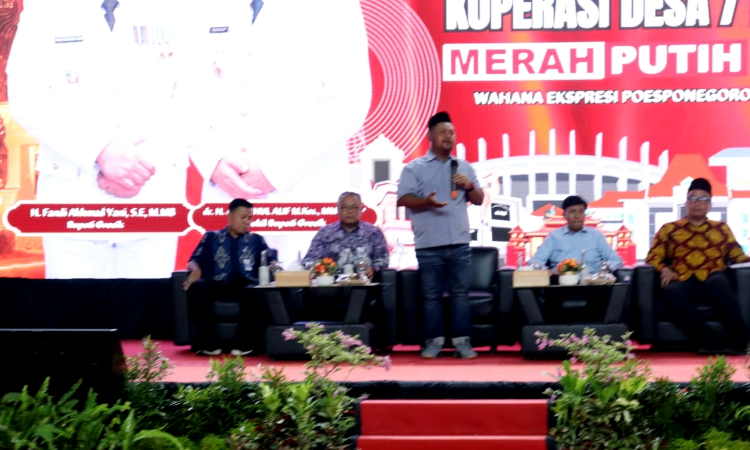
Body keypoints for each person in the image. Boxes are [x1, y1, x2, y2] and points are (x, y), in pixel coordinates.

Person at [6, 0, 188, 278]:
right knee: (77, 304)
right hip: (73, 197)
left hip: (154, 190)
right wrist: (100, 151)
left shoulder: (175, 7)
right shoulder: (45, 9)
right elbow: (26, 98)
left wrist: (136, 166)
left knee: (148, 303)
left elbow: (197, 94)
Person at [396, 111, 484, 359]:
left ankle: (462, 343)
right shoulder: (414, 168)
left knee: (460, 295)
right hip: (429, 244)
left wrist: (469, 186)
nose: (448, 136)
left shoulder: (464, 167)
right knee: (431, 296)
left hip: (459, 243)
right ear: (429, 136)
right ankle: (433, 342)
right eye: (443, 132)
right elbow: (403, 198)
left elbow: (479, 200)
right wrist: (427, 201)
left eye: (451, 132)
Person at [646, 178, 750, 354]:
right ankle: (708, 339)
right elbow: (653, 256)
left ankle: (739, 341)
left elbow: (736, 255)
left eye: (703, 199)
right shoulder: (669, 229)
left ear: (710, 205)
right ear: (686, 203)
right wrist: (664, 269)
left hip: (713, 278)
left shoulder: (721, 228)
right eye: (693, 198)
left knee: (718, 282)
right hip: (683, 279)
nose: (697, 203)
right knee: (670, 290)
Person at [183, 198, 269, 355]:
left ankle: (242, 344)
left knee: (257, 291)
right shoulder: (211, 237)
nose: (247, 222)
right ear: (229, 216)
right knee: (198, 288)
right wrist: (195, 270)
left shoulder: (256, 240)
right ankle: (210, 344)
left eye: (250, 218)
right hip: (218, 283)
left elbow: (270, 261)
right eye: (243, 217)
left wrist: (274, 267)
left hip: (245, 285)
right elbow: (193, 261)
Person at [302, 192, 389, 279]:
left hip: (365, 282)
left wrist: (373, 269)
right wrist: (318, 268)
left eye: (354, 207)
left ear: (361, 209)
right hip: (331, 283)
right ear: (338, 209)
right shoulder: (325, 232)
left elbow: (383, 259)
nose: (349, 211)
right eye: (344, 207)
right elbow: (309, 260)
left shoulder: (373, 232)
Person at [527, 195, 623, 271]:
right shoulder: (554, 237)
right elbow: (534, 262)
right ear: (564, 215)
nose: (577, 216)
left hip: (592, 284)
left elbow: (616, 260)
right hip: (561, 284)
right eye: (572, 211)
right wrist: (548, 272)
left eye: (581, 211)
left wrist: (606, 270)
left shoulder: (596, 236)